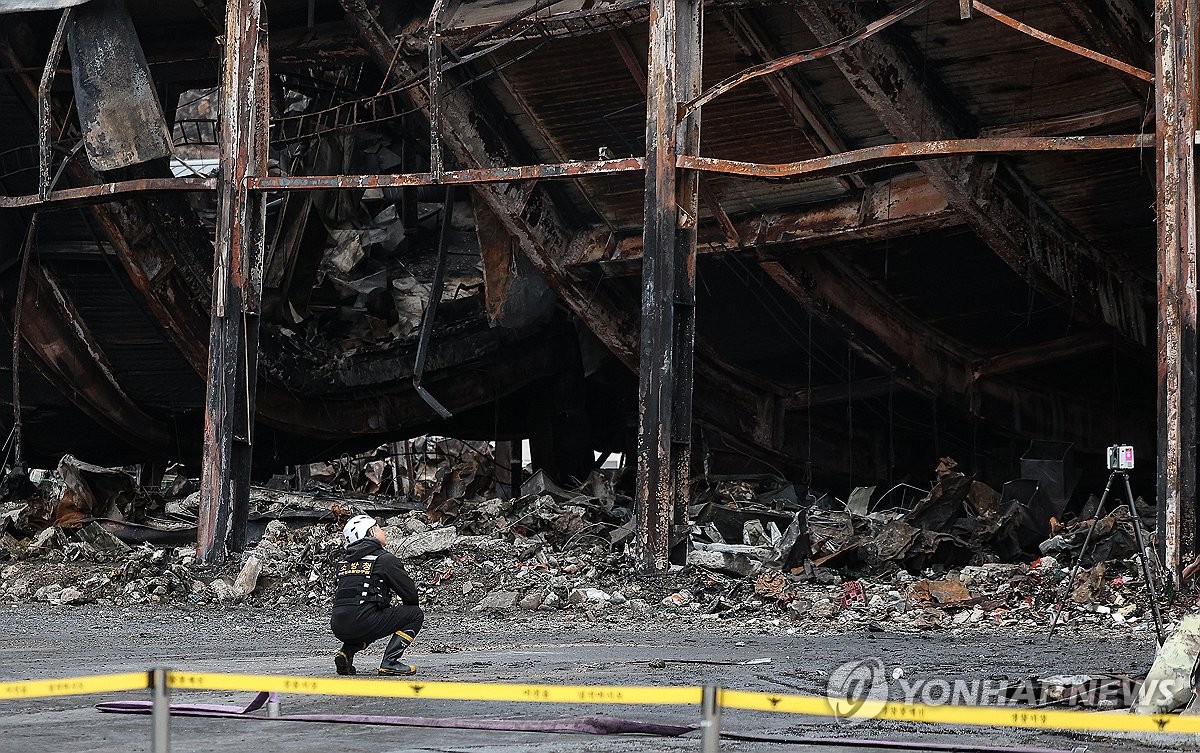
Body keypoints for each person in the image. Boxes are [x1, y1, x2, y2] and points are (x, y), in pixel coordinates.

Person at [330, 514, 424, 676]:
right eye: (379, 527)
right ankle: (390, 662)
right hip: (364, 621)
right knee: (415, 614)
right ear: (371, 533)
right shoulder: (384, 559)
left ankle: (346, 653)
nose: (383, 531)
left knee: (367, 616)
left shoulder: (343, 563)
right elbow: (410, 595)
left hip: (338, 626)